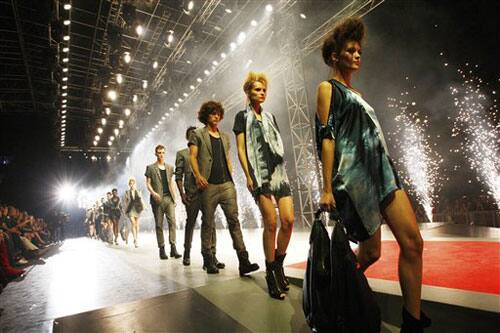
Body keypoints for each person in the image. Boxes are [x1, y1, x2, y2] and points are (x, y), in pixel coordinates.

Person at [316, 17, 430, 332]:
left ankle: (413, 322)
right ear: (335, 55)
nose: (357, 55)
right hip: (355, 179)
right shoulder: (328, 88)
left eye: (359, 51)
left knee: (413, 243)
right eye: (350, 50)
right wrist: (326, 188)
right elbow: (328, 137)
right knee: (371, 253)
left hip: (383, 171)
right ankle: (334, 296)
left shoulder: (360, 94)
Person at [233, 72, 294, 300]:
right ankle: (271, 274)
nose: (262, 93)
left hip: (279, 172)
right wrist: (248, 175)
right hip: (259, 174)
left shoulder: (270, 117)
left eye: (264, 90)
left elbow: (276, 144)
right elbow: (241, 149)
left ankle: (278, 264)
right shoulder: (241, 117)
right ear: (248, 92)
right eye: (257, 89)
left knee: (288, 221)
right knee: (270, 223)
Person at [189, 100, 259, 275]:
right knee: (208, 223)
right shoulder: (197, 134)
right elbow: (192, 157)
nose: (216, 116)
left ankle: (244, 261)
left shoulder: (226, 137)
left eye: (218, 113)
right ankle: (208, 259)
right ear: (206, 116)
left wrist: (232, 175)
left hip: (227, 185)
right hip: (208, 185)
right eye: (212, 113)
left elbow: (227, 158)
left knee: (234, 221)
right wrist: (198, 176)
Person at [145, 145, 182, 260]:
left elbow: (171, 183)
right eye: (159, 152)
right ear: (155, 154)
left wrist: (174, 198)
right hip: (157, 200)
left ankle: (173, 247)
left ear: (164, 153)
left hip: (168, 199)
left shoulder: (170, 167)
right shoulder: (150, 168)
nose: (161, 155)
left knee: (173, 222)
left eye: (162, 152)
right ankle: (161, 248)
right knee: (159, 225)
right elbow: (148, 183)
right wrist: (153, 193)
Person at [175, 126, 201, 266]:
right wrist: (182, 194)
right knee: (190, 223)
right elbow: (178, 176)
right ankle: (187, 253)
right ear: (187, 137)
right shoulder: (182, 154)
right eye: (191, 134)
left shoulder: (203, 152)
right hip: (191, 193)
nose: (194, 135)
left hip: (206, 192)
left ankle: (211, 256)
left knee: (210, 224)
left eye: (195, 133)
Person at [123, 177, 145, 248]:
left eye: (133, 183)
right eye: (130, 183)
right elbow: (126, 202)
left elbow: (141, 199)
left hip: (137, 209)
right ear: (129, 185)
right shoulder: (127, 192)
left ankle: (136, 238)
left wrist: (144, 206)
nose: (132, 185)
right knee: (133, 223)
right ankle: (135, 240)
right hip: (130, 209)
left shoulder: (138, 191)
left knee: (137, 225)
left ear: (135, 184)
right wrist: (125, 210)